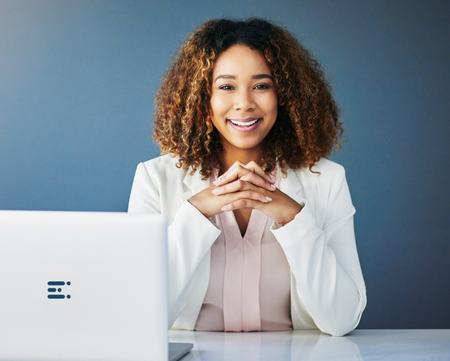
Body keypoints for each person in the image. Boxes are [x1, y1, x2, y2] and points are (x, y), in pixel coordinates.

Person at [128, 18, 366, 336]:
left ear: (284, 94)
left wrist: (292, 216)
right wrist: (196, 212)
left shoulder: (328, 180)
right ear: (203, 97)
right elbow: (138, 315)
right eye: (226, 86)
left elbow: (342, 320)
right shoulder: (154, 179)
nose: (244, 103)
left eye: (261, 85)